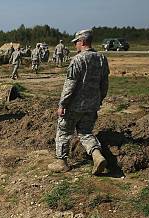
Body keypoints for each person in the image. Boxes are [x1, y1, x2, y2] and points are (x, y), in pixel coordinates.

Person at [48, 29, 109, 175]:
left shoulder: (78, 60)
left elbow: (70, 84)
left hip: (75, 105)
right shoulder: (101, 58)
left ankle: (62, 162)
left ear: (82, 42)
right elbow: (104, 83)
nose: (75, 45)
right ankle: (97, 155)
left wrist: (62, 104)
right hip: (92, 105)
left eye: (76, 42)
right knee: (85, 133)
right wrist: (99, 99)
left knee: (63, 132)